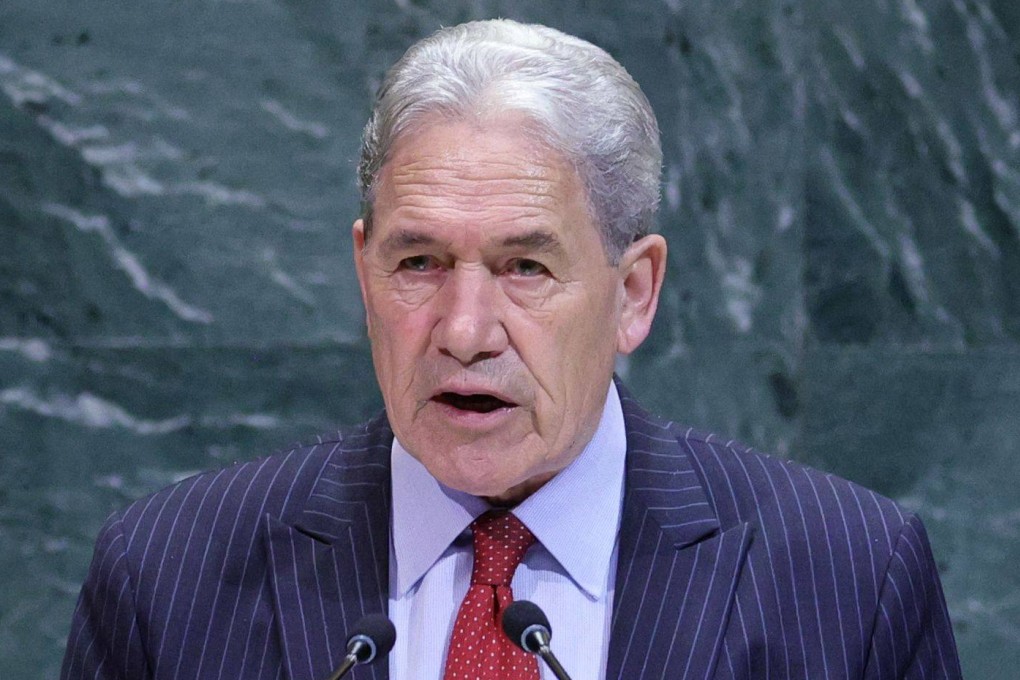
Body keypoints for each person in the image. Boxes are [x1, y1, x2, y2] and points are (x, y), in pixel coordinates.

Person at [61, 19, 962, 680]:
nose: (463, 330)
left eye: (525, 267)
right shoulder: (167, 576)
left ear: (634, 292)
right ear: (364, 271)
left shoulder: (849, 579)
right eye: (418, 262)